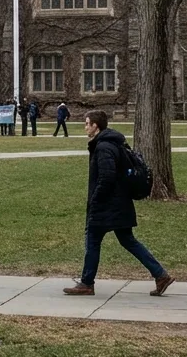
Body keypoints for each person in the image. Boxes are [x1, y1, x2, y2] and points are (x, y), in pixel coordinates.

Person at [63, 110, 176, 297]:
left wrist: (95, 199)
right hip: (118, 203)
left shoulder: (104, 147)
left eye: (87, 123)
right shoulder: (112, 143)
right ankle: (160, 275)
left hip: (108, 204)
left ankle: (86, 283)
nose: (85, 127)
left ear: (95, 126)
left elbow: (107, 177)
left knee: (93, 239)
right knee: (127, 240)